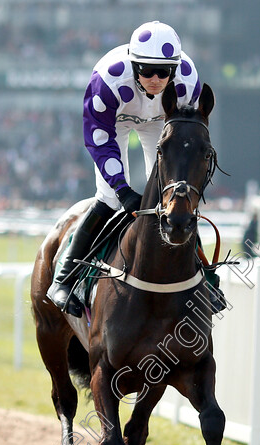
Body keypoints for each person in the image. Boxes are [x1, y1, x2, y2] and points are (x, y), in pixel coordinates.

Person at [47, 20, 226, 317]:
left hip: (160, 121)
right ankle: (66, 276)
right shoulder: (107, 81)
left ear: (174, 69)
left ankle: (204, 276)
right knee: (109, 199)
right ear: (133, 66)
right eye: (146, 71)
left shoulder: (187, 83)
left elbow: (184, 136)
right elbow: (99, 140)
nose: (155, 79)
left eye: (163, 72)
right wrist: (122, 188)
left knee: (170, 200)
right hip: (113, 122)